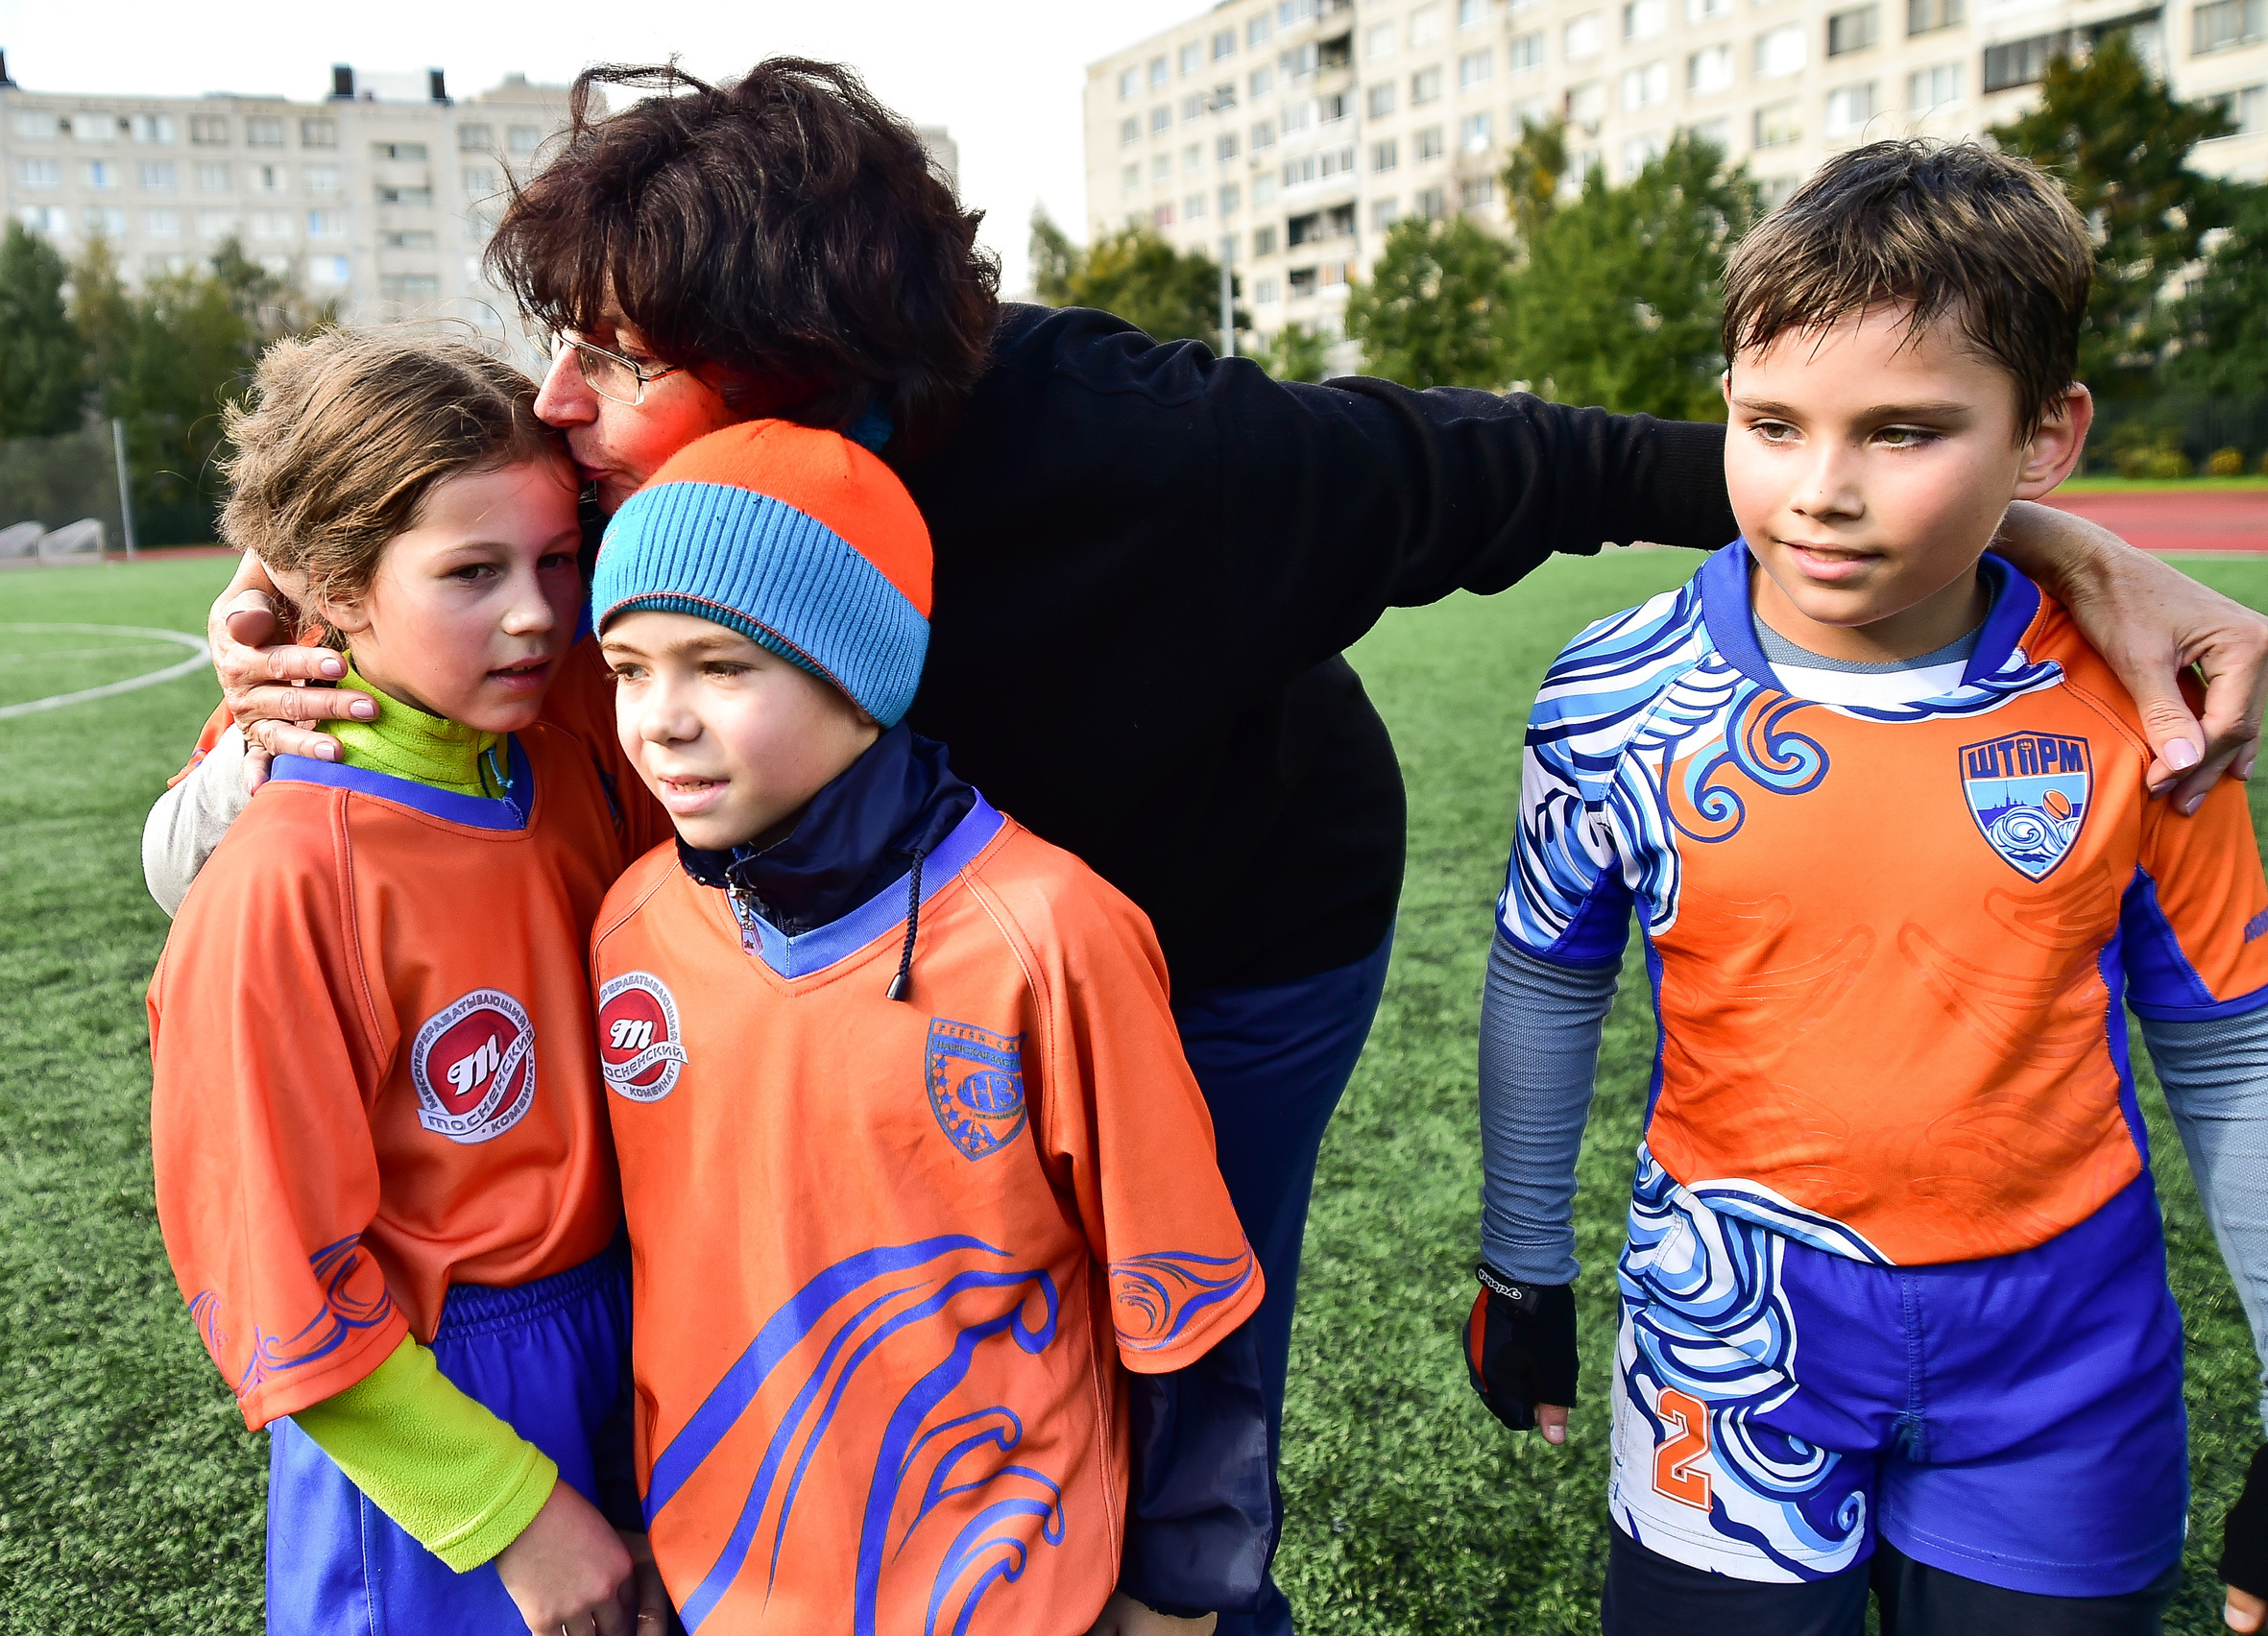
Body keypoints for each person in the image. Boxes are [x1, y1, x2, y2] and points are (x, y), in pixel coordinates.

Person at [160, 60, 2268, 1636]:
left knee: (1172, 1319)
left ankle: (1188, 1596)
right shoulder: (630, 514)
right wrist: (262, 673)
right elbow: (336, 809)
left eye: (613, 355)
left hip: (1229, 934)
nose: (561, 400)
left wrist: (2048, 544)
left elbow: (1541, 461)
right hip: (876, 943)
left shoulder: (1165, 457)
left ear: (783, 367)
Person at [1461, 140, 2268, 1635]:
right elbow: (1544, 972)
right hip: (1730, 1345)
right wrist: (1523, 1264)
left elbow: (2231, 1047)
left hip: (2063, 1367)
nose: (1818, 491)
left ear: (2047, 435)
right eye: (1771, 424)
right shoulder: (1613, 698)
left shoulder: (2149, 704)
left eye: (1903, 432)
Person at [585, 419, 1271, 1633]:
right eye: (629, 668)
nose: (661, 718)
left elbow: (1183, 1298)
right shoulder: (630, 927)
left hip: (1003, 1592)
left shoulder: (1052, 935)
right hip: (720, 1579)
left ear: (861, 676)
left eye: (721, 666)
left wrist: (1179, 1595)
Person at [145, 330, 665, 1636]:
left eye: (557, 561)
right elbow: (275, 1281)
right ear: (334, 585)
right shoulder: (283, 879)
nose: (538, 611)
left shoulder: (567, 755)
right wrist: (511, 1514)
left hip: (631, 1346)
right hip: (439, 1422)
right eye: (472, 573)